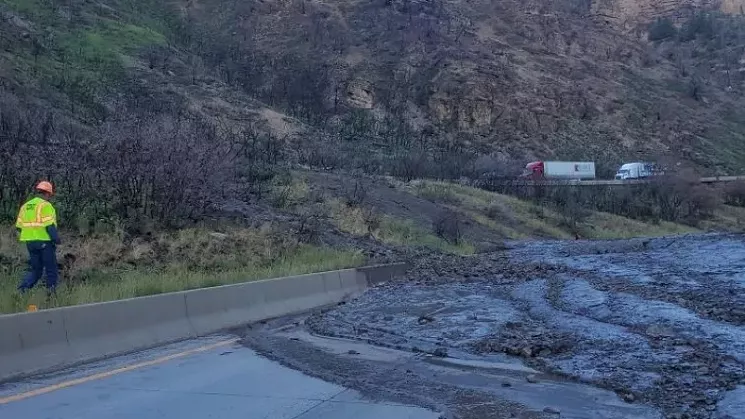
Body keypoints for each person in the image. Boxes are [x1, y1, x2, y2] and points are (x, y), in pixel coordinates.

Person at [16, 181, 60, 295]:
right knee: (51, 270)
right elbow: (49, 226)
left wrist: (31, 234)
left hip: (30, 243)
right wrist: (56, 240)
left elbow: (19, 227)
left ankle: (21, 291)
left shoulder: (25, 206)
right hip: (44, 242)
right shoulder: (45, 205)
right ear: (47, 193)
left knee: (36, 270)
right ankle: (51, 295)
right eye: (50, 195)